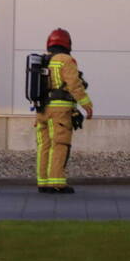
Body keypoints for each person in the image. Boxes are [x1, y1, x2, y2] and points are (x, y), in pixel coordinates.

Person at [36, 28, 93, 194]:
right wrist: (86, 104)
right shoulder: (66, 60)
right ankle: (57, 183)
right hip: (59, 111)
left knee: (44, 146)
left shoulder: (44, 60)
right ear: (67, 43)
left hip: (41, 109)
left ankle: (43, 182)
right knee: (59, 144)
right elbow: (74, 84)